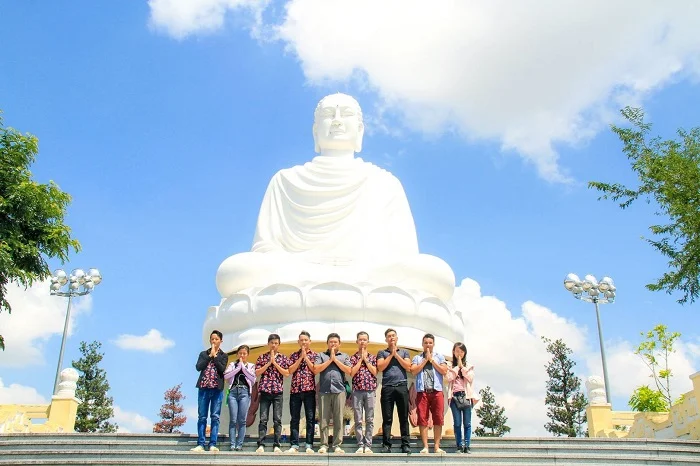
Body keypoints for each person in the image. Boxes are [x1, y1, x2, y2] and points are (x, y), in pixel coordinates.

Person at [314, 332, 352, 454]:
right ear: (327, 343)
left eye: (335, 342)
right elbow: (316, 369)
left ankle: (337, 445)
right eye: (331, 342)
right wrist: (330, 359)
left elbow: (349, 370)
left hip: (339, 390)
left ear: (339, 344)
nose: (333, 344)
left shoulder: (344, 356)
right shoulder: (321, 355)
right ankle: (324, 444)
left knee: (338, 419)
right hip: (324, 391)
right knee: (324, 419)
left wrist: (336, 359)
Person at [410, 333, 448, 454]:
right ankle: (425, 446)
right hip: (423, 391)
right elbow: (413, 371)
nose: (428, 345)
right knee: (422, 418)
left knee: (438, 418)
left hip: (436, 391)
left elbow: (444, 371)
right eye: (426, 343)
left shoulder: (440, 357)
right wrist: (425, 360)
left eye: (430, 343)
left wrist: (432, 361)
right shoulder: (417, 358)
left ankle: (437, 446)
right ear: (422, 344)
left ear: (433, 344)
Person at [376, 328, 412, 454]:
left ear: (397, 338)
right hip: (387, 387)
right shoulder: (382, 353)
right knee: (387, 418)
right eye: (389, 336)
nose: (391, 338)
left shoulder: (404, 352)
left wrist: (396, 354)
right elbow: (380, 367)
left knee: (403, 417)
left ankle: (405, 444)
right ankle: (386, 445)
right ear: (386, 339)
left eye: (393, 336)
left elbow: (408, 367)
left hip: (401, 386)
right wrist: (391, 354)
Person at [192, 330, 228, 452]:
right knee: (202, 416)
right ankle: (201, 443)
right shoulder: (203, 354)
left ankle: (213, 443)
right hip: (204, 388)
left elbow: (222, 369)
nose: (214, 341)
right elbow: (198, 367)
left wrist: (215, 356)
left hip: (217, 389)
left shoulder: (224, 355)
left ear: (221, 341)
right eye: (212, 339)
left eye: (216, 339)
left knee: (215, 416)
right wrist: (209, 356)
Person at [254, 334, 289, 453]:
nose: (274, 345)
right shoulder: (262, 357)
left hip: (278, 391)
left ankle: (277, 444)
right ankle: (261, 443)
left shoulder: (283, 358)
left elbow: (286, 373)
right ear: (268, 344)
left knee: (277, 419)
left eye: (276, 343)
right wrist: (269, 362)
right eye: (272, 343)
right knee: (263, 419)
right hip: (265, 391)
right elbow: (257, 372)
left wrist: (275, 363)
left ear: (279, 344)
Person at [286, 330, 318, 454]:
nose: (304, 342)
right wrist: (301, 358)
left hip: (309, 389)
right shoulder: (294, 355)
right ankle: (294, 444)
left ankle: (309, 444)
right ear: (298, 342)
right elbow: (290, 370)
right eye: (302, 340)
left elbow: (315, 370)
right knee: (295, 418)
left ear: (310, 341)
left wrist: (306, 357)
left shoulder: (315, 355)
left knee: (310, 418)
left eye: (306, 340)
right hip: (295, 390)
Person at [349, 331, 378, 454]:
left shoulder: (373, 357)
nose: (362, 342)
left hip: (370, 391)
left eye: (364, 340)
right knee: (358, 419)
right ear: (357, 342)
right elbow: (352, 372)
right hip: (357, 391)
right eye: (360, 340)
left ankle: (368, 445)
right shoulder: (353, 358)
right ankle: (360, 444)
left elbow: (375, 372)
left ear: (368, 342)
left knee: (370, 419)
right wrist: (360, 359)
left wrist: (366, 360)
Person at [223, 345, 256, 451]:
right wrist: (238, 368)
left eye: (244, 353)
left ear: (247, 355)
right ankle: (232, 443)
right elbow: (226, 376)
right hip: (233, 392)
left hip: (244, 392)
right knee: (233, 419)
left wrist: (243, 367)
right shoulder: (232, 364)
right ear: (237, 354)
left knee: (242, 420)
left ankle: (239, 444)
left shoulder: (251, 366)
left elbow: (252, 379)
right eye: (240, 353)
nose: (242, 355)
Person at [446, 342, 477, 454]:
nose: (459, 353)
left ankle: (467, 445)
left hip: (466, 396)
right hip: (454, 397)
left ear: (464, 353)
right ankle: (459, 445)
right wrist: (456, 368)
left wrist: (462, 367)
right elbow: (448, 377)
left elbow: (470, 378)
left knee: (467, 423)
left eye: (461, 351)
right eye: (457, 351)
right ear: (453, 352)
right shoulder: (449, 365)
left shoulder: (469, 366)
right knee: (457, 423)